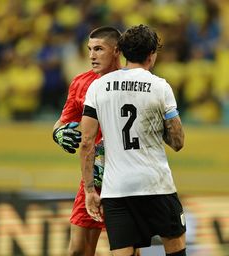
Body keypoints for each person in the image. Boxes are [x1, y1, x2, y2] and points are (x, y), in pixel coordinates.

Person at [80, 24, 186, 256]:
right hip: (156, 185)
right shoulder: (160, 87)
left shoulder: (98, 87)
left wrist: (89, 189)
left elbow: (86, 141)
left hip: (116, 190)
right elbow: (178, 142)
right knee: (176, 250)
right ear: (152, 55)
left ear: (123, 52)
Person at [52, 26, 141, 256]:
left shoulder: (135, 83)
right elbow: (61, 123)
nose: (91, 55)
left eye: (99, 49)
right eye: (90, 49)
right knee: (78, 250)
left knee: (126, 251)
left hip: (125, 179)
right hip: (93, 178)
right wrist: (58, 134)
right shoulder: (81, 82)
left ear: (117, 50)